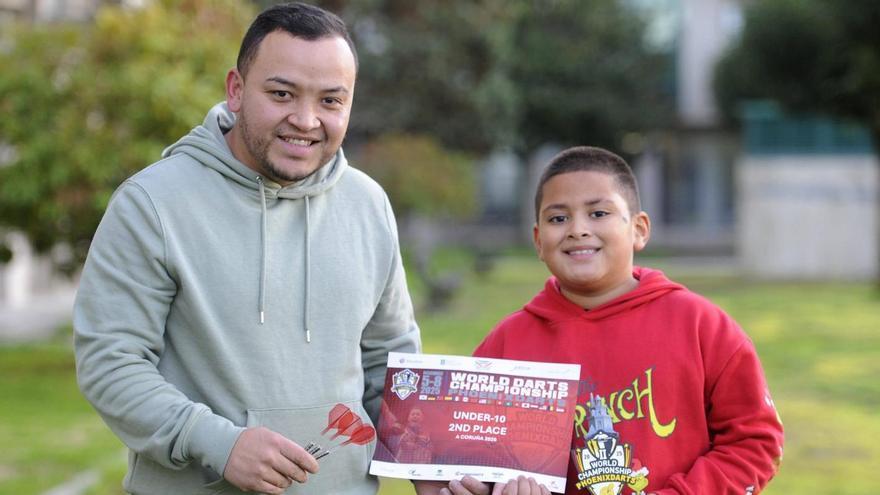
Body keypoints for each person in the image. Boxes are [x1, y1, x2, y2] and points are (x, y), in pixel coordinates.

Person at [73, 3, 420, 494]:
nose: (305, 120)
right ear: (236, 90)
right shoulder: (152, 203)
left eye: (330, 101)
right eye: (281, 94)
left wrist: (432, 465)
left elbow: (391, 365)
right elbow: (111, 362)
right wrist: (219, 443)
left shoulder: (368, 205)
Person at [417, 146, 784, 495]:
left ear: (639, 229)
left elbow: (754, 441)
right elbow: (470, 458)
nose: (577, 229)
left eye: (598, 213)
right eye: (558, 218)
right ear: (538, 240)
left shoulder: (702, 326)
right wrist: (481, 487)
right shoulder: (507, 343)